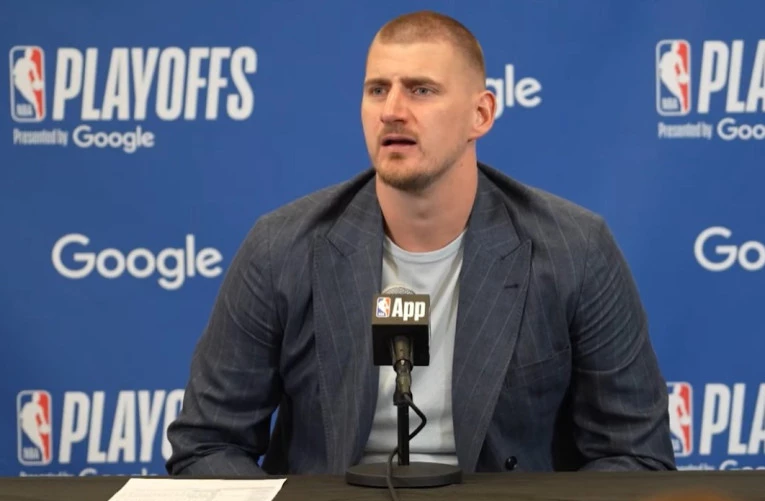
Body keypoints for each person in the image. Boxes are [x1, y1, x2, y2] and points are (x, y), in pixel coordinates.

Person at [165, 10, 676, 476]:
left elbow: (634, 454)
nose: (392, 110)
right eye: (377, 89)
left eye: (421, 90)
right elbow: (206, 443)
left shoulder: (575, 250)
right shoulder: (281, 247)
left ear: (481, 114)